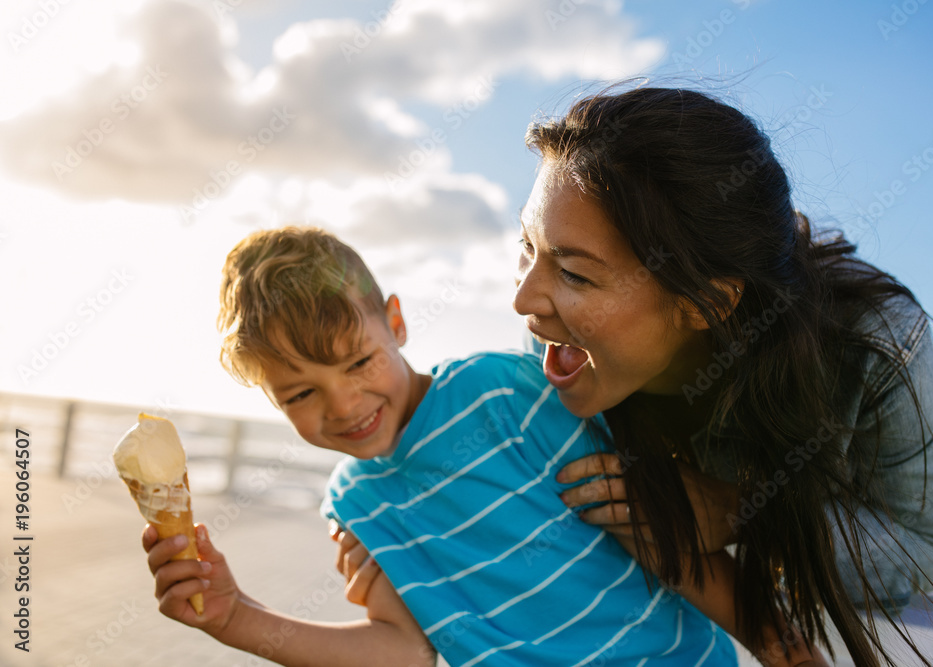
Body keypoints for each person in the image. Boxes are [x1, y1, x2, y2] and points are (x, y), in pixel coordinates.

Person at [508, 86, 933, 666]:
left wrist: (740, 513)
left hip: (852, 607)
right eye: (528, 245)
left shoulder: (876, 342)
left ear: (705, 303)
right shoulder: (568, 341)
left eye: (575, 274)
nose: (523, 299)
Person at [144, 226, 743, 666]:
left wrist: (787, 650)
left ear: (395, 322)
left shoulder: (501, 393)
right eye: (300, 394)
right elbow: (402, 653)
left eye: (358, 361)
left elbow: (657, 529)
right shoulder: (356, 504)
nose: (345, 405)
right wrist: (237, 618)